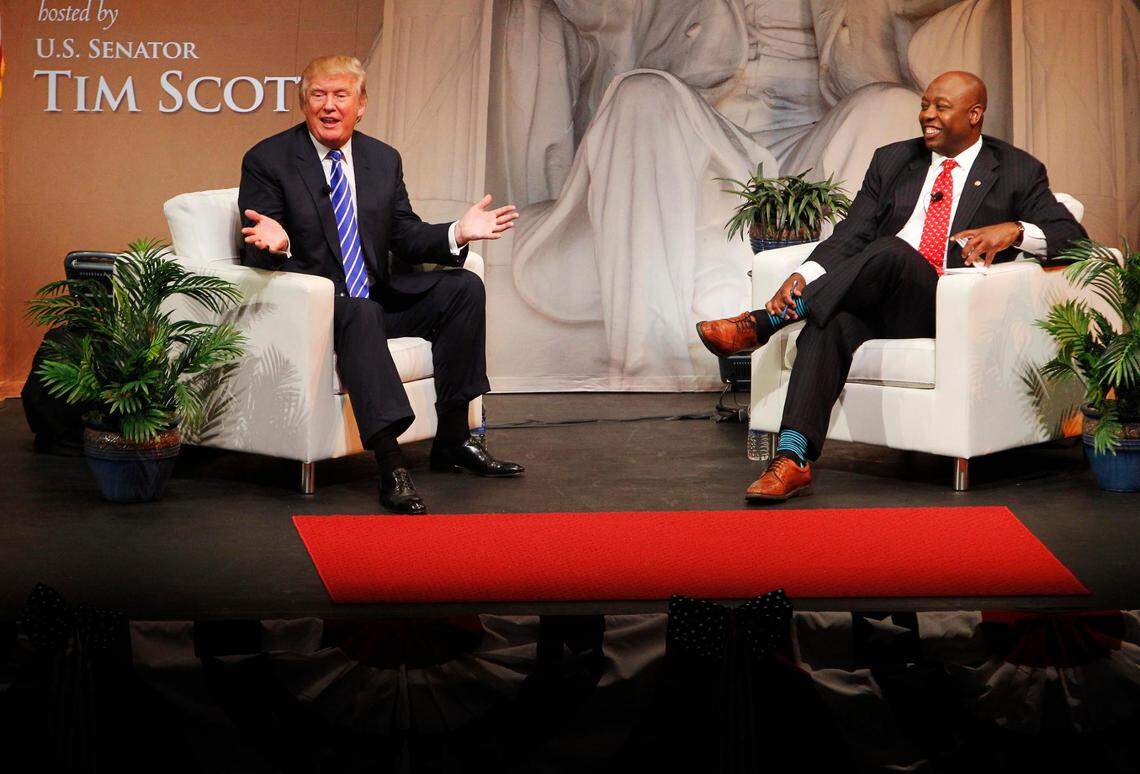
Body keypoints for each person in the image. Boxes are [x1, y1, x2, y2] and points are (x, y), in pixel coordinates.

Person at [696, 71, 1087, 502]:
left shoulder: (1015, 169)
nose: (927, 116)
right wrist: (803, 274)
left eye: (941, 107)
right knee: (832, 324)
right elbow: (852, 234)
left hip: (948, 305)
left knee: (892, 251)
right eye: (924, 105)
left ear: (975, 115)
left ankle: (766, 322)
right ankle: (792, 459)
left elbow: (1073, 240)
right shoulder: (893, 160)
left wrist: (1014, 230)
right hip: (880, 296)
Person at [238, 55, 523, 515]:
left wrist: (456, 233)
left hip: (374, 299)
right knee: (360, 310)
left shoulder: (381, 159)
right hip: (315, 309)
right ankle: (391, 464)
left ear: (361, 104)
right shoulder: (268, 160)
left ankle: (453, 440)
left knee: (462, 288)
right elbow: (257, 246)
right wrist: (276, 244)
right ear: (303, 102)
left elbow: (405, 235)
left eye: (341, 95)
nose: (329, 107)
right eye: (318, 95)